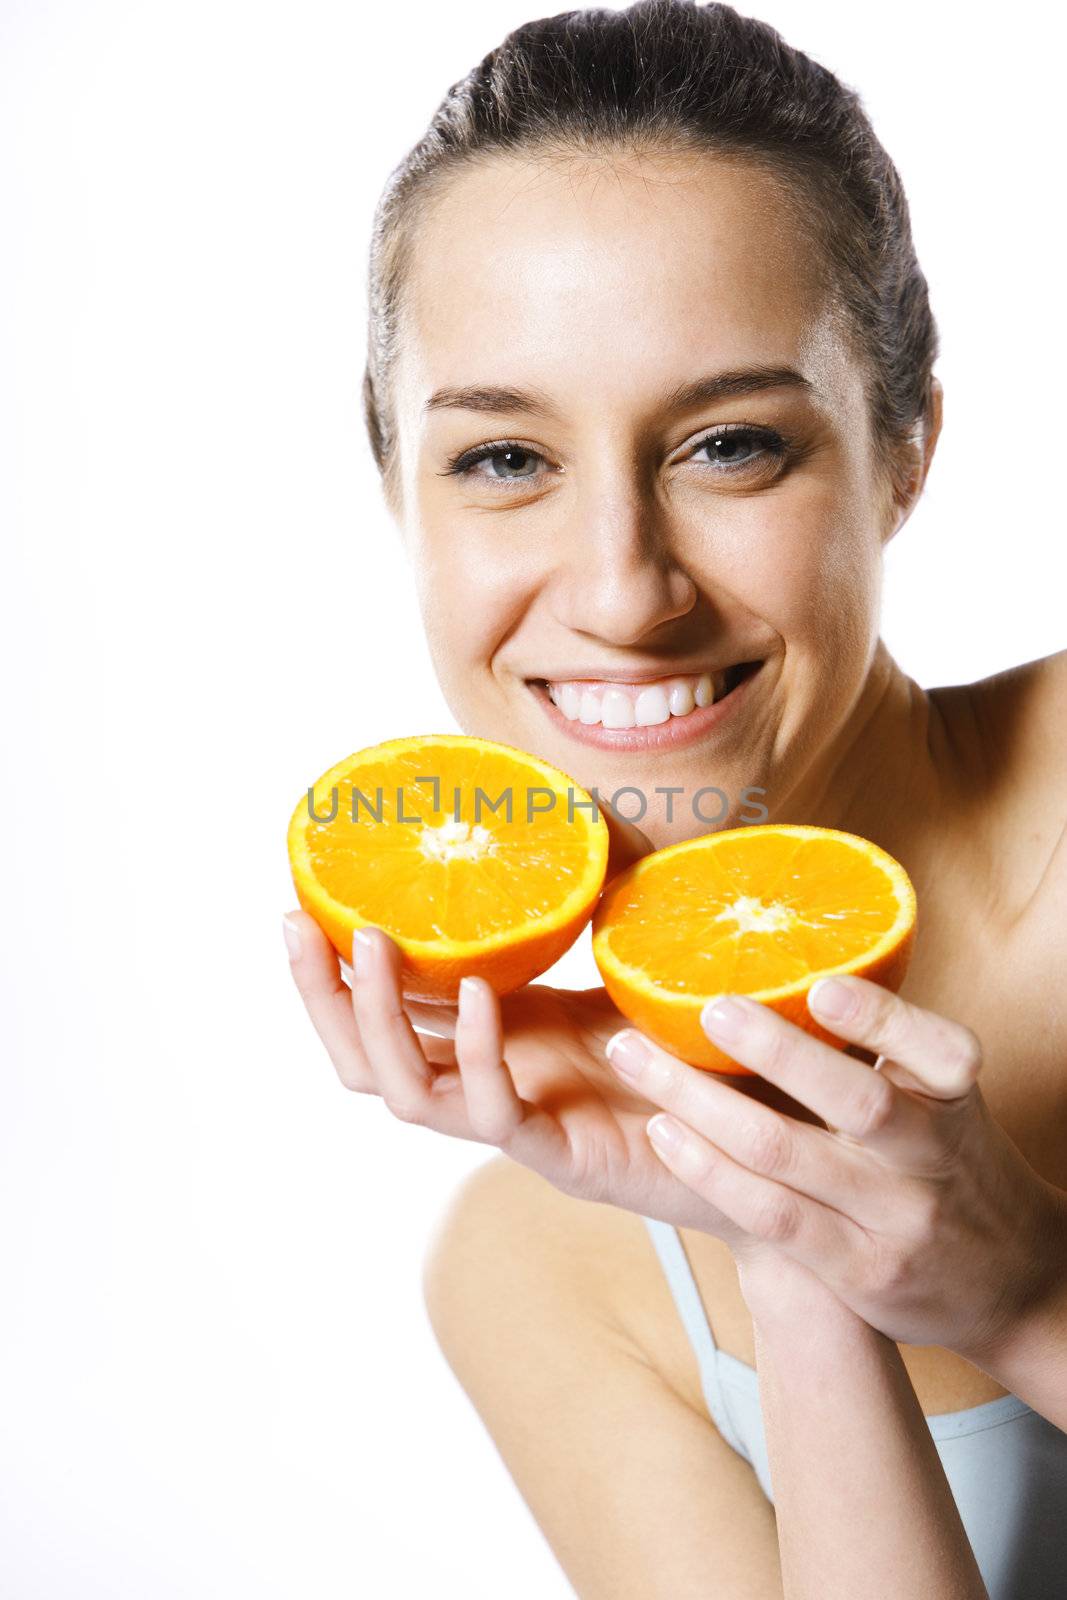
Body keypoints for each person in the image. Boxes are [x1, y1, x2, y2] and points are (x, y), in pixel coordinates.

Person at [282, 3, 1067, 1593]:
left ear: (905, 445)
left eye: (727, 446)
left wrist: (1020, 1294)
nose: (623, 592)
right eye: (505, 461)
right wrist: (788, 1239)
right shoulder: (540, 1262)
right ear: (394, 491)